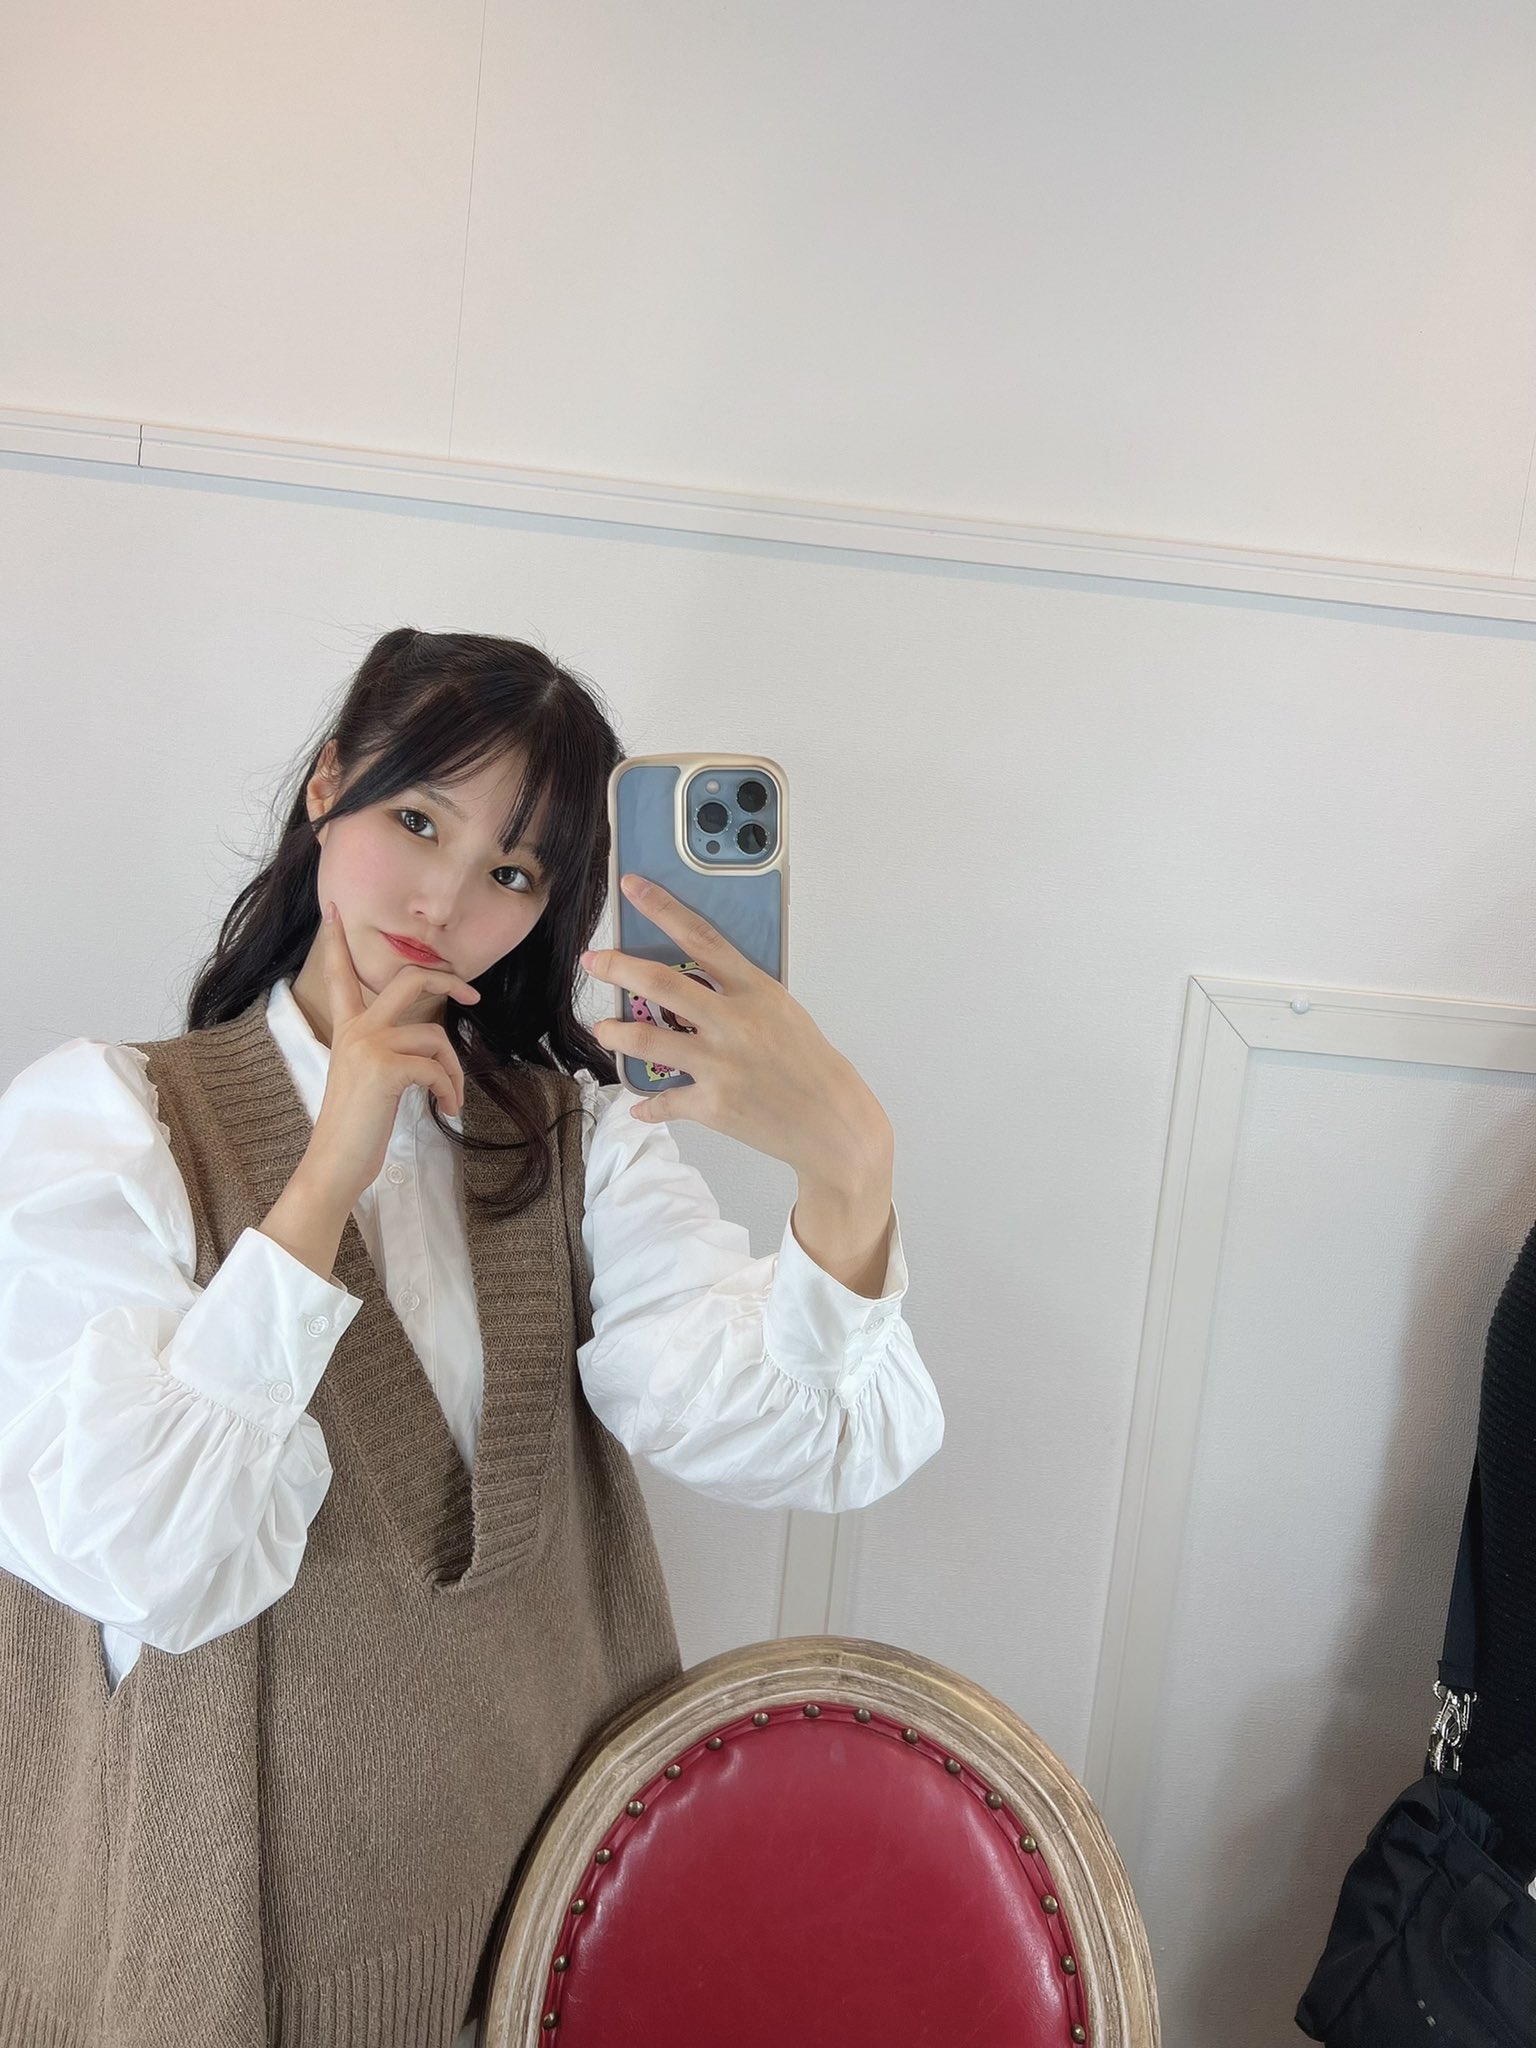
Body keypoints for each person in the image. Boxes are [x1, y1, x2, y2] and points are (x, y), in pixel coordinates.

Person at [0, 627, 943, 2048]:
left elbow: (783, 1437)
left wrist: (850, 1173)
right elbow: (135, 1551)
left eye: (513, 873)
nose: (443, 899)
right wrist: (325, 1175)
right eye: (420, 821)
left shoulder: (579, 1148)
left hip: (551, 1931)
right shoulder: (109, 1124)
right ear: (329, 785)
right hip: (225, 1954)